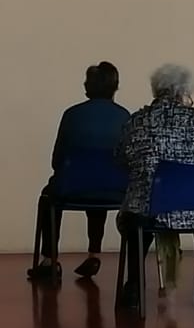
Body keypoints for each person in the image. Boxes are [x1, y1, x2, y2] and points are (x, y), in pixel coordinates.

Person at [117, 63, 194, 308]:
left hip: (148, 208)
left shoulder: (136, 120)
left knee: (135, 220)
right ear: (183, 92)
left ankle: (134, 287)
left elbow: (120, 158)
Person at [28, 61, 129, 283]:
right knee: (101, 185)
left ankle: (49, 260)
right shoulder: (125, 117)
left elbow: (57, 160)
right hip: (115, 190)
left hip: (72, 187)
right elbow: (128, 160)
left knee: (49, 196)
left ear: (88, 86)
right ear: (115, 87)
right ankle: (94, 253)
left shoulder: (72, 115)